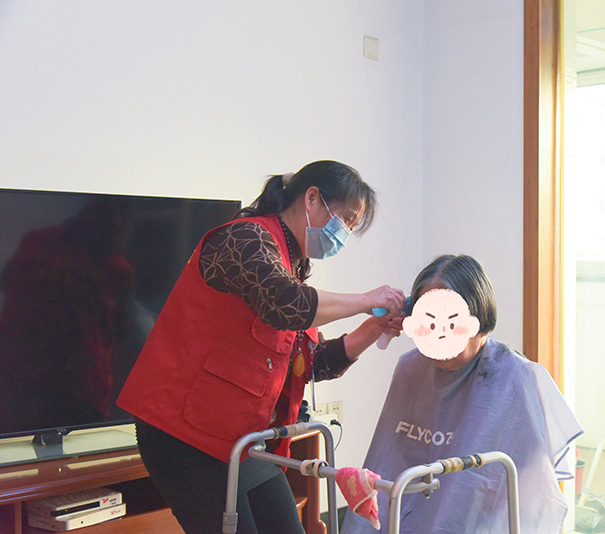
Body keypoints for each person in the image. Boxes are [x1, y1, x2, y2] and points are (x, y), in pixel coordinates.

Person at [116, 160, 406, 534]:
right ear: (312, 199)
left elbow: (312, 363)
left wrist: (372, 326)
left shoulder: (290, 265)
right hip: (183, 434)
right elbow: (288, 304)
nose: (344, 234)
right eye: (345, 221)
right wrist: (368, 300)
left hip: (239, 434)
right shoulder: (245, 239)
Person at [340, 254, 583, 534]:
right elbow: (387, 461)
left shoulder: (515, 377)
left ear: (478, 316)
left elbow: (531, 483)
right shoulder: (410, 367)